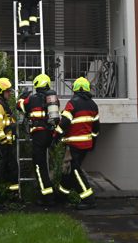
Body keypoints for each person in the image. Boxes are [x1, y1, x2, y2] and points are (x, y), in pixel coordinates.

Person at [54, 76, 101, 208]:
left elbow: (64, 123)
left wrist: (55, 136)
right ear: (87, 89)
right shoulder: (93, 105)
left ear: (74, 89)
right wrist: (93, 143)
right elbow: (96, 128)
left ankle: (88, 199)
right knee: (68, 172)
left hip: (73, 145)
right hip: (86, 145)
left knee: (74, 171)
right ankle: (62, 196)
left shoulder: (72, 103)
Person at [16, 73, 59, 203]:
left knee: (39, 166)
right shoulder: (53, 99)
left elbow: (19, 106)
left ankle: (47, 197)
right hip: (50, 134)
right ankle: (50, 194)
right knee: (44, 164)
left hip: (39, 135)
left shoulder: (32, 99)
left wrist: (22, 97)